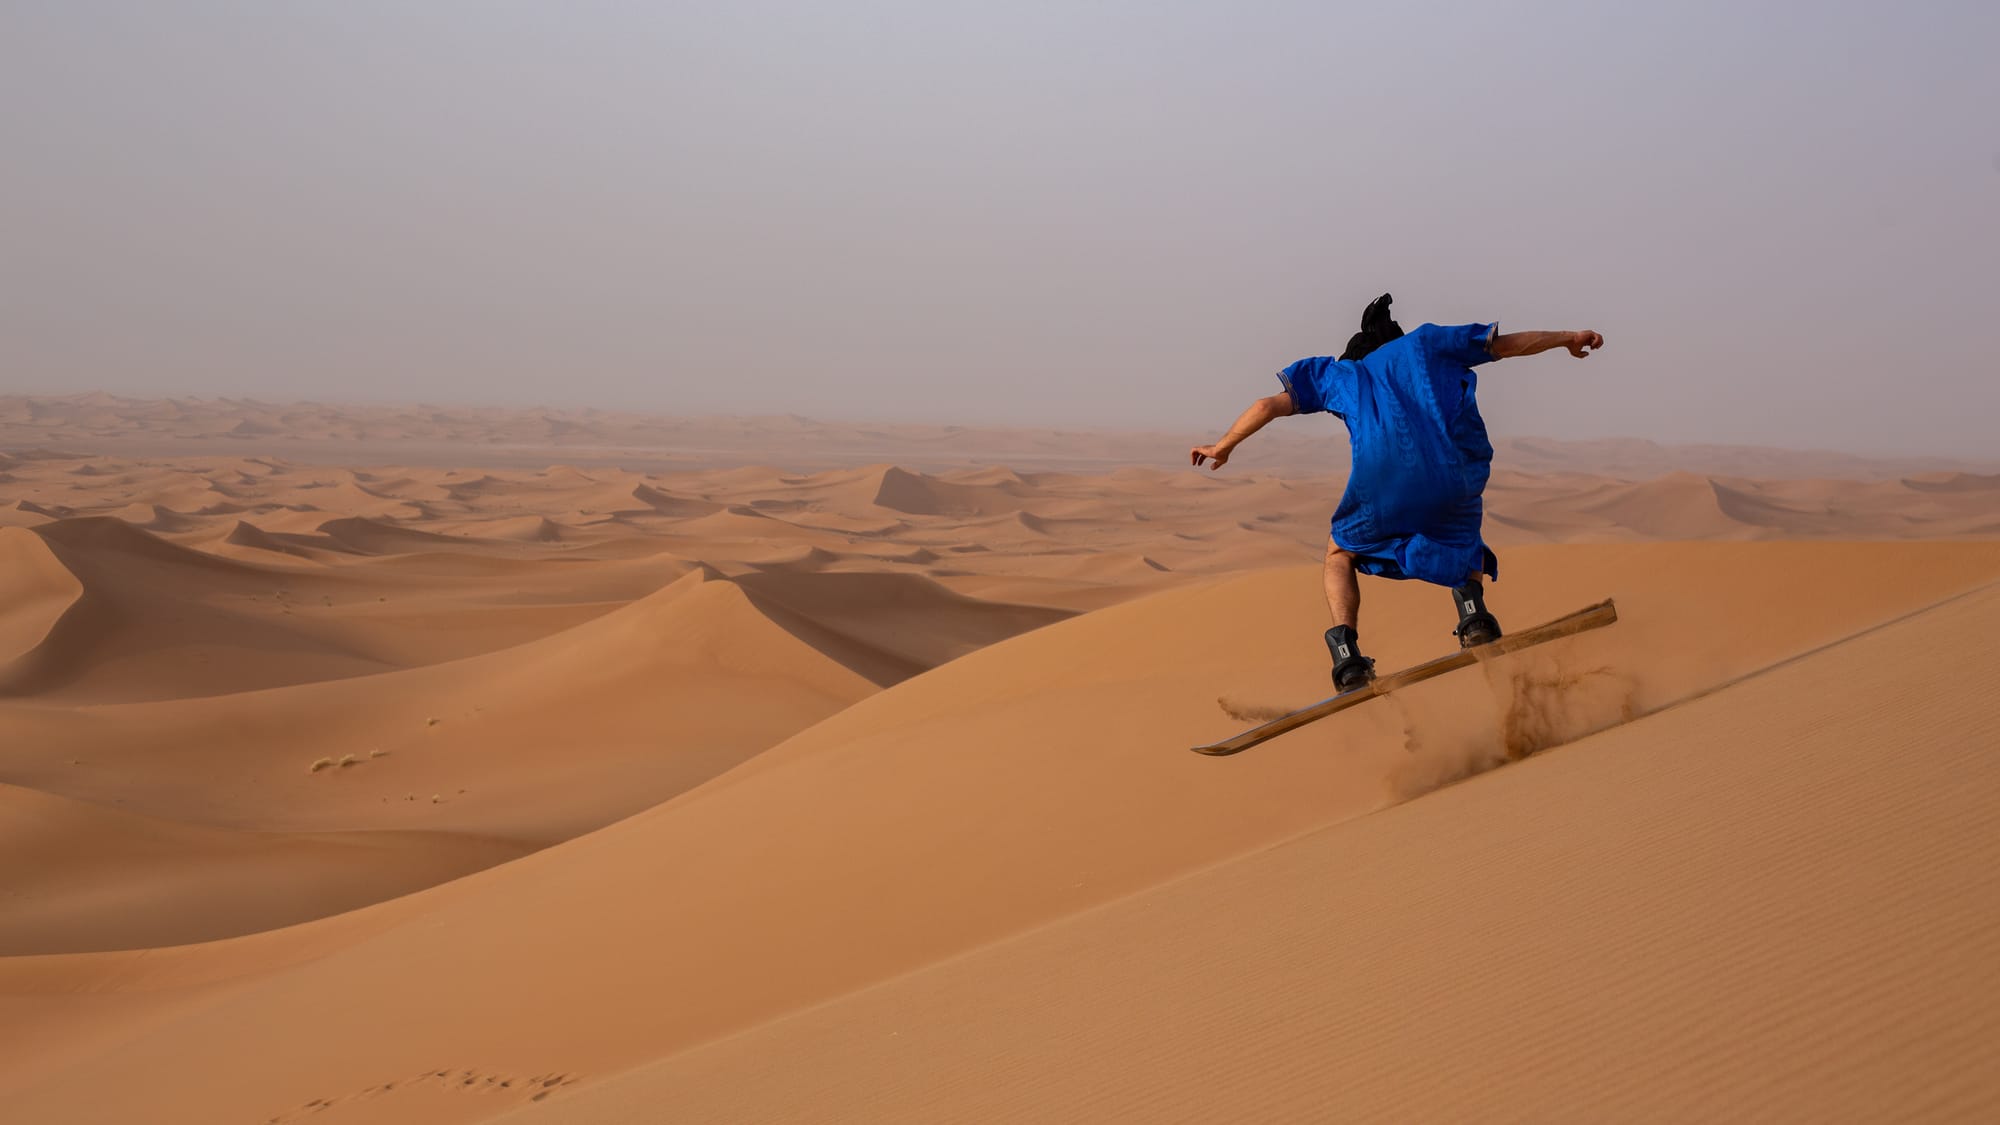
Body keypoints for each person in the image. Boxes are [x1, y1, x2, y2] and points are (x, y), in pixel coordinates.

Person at [1190, 294, 1604, 690]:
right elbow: (1509, 344)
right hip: (1449, 473)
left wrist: (1223, 446)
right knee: (1463, 534)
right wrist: (1568, 337)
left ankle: (1346, 655)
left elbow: (1267, 405)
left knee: (1340, 552)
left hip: (1381, 481)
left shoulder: (1340, 373)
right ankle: (1474, 616)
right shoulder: (1427, 342)